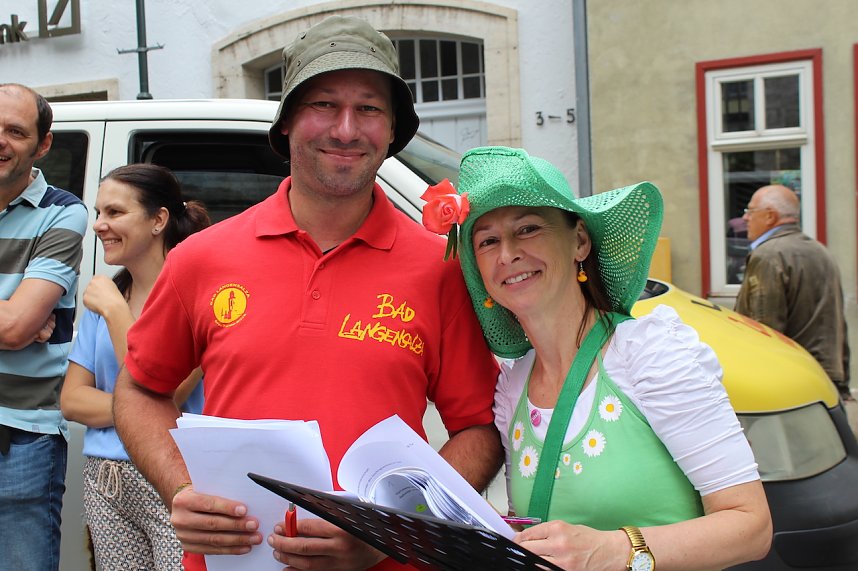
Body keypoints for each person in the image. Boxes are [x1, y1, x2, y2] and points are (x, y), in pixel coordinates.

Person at [112, 15, 501, 571]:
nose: (346, 129)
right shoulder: (202, 258)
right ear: (288, 121)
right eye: (323, 105)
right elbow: (139, 390)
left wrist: (395, 531)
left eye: (369, 108)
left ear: (392, 130)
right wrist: (181, 488)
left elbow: (477, 430)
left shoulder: (438, 267)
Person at [421, 146, 772, 571]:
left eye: (528, 229)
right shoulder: (513, 386)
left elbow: (751, 526)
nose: (507, 253)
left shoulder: (651, 352)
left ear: (580, 241)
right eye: (487, 241)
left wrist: (615, 551)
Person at [60, 164, 210, 569]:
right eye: (99, 212)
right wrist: (135, 413)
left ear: (159, 219)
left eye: (114, 212)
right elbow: (72, 401)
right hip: (106, 480)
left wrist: (112, 311)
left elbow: (162, 391)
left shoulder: (192, 294)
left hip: (174, 476)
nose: (99, 225)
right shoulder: (109, 293)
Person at [0, 83, 88, 570]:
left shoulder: (63, 212)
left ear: (44, 143)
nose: (1, 141)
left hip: (20, 436)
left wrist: (22, 321)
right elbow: (13, 322)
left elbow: (15, 329)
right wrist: (15, 314)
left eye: (15, 131)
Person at [735, 184, 852, 401]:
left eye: (750, 211)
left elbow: (762, 331)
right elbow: (837, 322)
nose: (745, 219)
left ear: (770, 216)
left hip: (790, 385)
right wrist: (842, 380)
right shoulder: (819, 250)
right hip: (825, 378)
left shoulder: (769, 254)